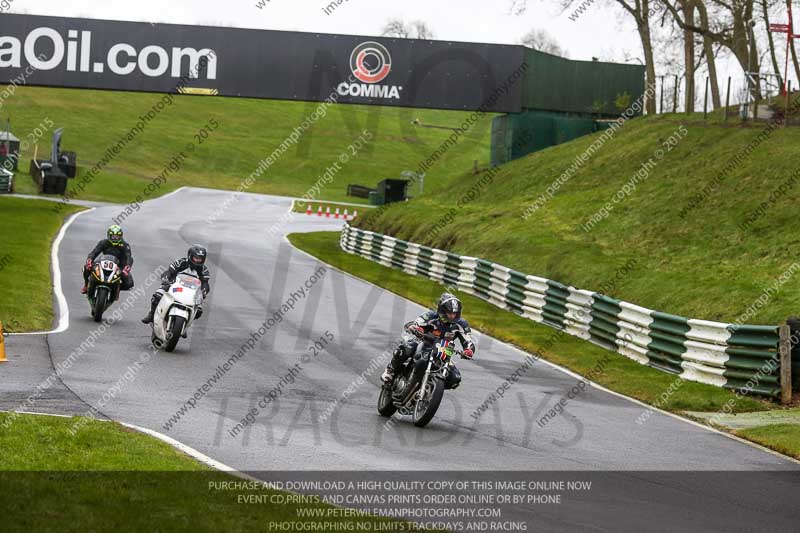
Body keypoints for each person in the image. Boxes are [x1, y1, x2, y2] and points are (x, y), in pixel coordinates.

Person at [381, 293, 475, 383]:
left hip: (445, 350)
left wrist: (469, 351)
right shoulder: (431, 316)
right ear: (442, 310)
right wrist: (415, 327)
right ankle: (390, 369)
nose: (452, 316)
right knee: (406, 348)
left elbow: (468, 342)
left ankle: (432, 388)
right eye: (449, 313)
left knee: (455, 378)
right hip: (424, 342)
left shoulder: (462, 324)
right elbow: (415, 323)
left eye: (455, 313)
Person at [141, 244, 211, 324]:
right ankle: (151, 314)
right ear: (190, 256)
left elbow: (205, 283)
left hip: (192, 291)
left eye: (200, 259)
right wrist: (165, 280)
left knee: (199, 311)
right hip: (174, 286)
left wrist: (204, 291)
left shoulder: (204, 270)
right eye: (196, 258)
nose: (198, 261)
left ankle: (185, 324)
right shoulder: (181, 262)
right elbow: (168, 272)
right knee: (157, 295)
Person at [82, 224, 134, 294]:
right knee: (86, 268)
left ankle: (116, 288)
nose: (115, 238)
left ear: (121, 236)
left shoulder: (125, 245)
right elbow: (94, 252)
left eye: (117, 237)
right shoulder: (103, 242)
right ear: (109, 235)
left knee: (129, 284)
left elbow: (129, 257)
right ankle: (86, 284)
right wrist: (90, 260)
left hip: (119, 266)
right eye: (113, 236)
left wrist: (127, 267)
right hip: (104, 262)